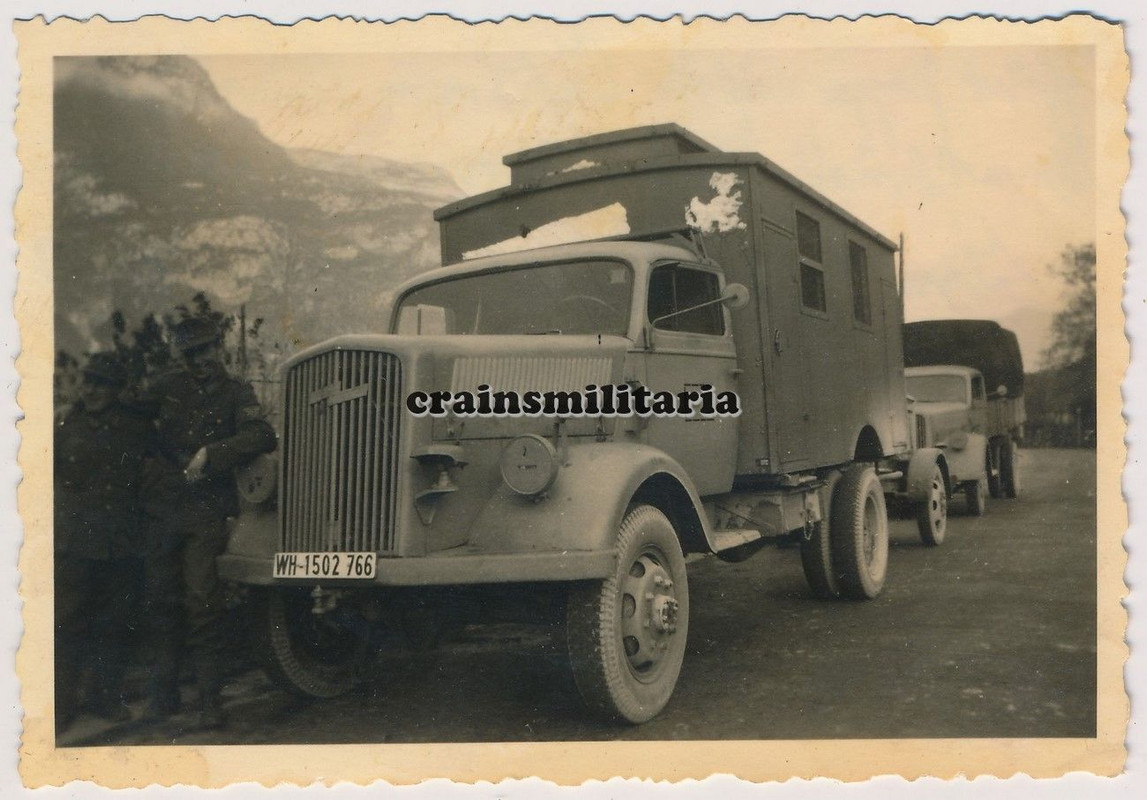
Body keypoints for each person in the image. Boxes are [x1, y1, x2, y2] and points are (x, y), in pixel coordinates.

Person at [139, 317, 276, 730]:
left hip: (205, 511)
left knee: (202, 602)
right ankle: (163, 694)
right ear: (181, 356)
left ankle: (209, 700)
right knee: (161, 600)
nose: (200, 360)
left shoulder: (236, 392)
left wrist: (211, 454)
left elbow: (262, 435)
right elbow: (134, 426)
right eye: (191, 353)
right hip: (163, 510)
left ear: (218, 347)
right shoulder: (166, 388)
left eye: (205, 350)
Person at [54, 352, 154, 732]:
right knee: (67, 623)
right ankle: (62, 705)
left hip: (120, 542)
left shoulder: (136, 427)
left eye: (102, 384)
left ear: (117, 390)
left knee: (115, 624)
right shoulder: (64, 423)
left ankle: (104, 697)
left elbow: (156, 469)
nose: (92, 390)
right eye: (88, 382)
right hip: (75, 542)